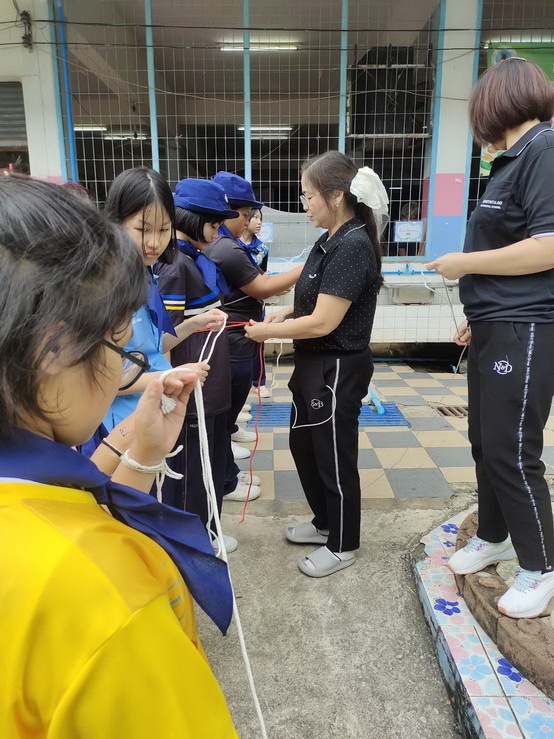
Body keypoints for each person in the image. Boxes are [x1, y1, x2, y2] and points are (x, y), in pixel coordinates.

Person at [0, 175, 237, 737]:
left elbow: (74, 509)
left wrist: (141, 448)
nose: (124, 362)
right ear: (53, 348)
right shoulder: (105, 596)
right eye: (118, 342)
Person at [426, 58, 554, 619]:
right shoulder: (511, 161)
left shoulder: (545, 149)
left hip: (528, 326)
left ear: (495, 104)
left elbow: (548, 246)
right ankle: (495, 536)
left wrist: (464, 263)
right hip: (495, 325)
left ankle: (541, 567)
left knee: (512, 448)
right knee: (485, 440)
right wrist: (477, 316)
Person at [245, 151, 387, 578]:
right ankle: (325, 522)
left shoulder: (353, 244)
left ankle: (343, 544)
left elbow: (325, 321)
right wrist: (286, 312)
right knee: (304, 445)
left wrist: (266, 333)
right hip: (314, 364)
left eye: (308, 196)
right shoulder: (329, 240)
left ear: (336, 195)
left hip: (336, 367)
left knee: (333, 454)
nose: (304, 204)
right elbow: (317, 299)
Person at [155, 179, 261, 554]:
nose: (217, 231)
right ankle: (193, 544)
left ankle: (207, 533)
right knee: (190, 474)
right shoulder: (175, 267)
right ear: (191, 219)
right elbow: (163, 340)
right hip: (191, 392)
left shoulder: (192, 261)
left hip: (208, 387)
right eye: (213, 224)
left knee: (208, 466)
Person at [101, 167, 226, 432]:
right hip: (118, 429)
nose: (154, 242)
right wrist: (170, 375)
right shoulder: (106, 287)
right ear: (116, 223)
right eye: (142, 229)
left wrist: (194, 324)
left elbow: (153, 348)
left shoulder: (146, 275)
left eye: (164, 229)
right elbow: (106, 380)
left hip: (148, 417)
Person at [205, 172, 302, 500]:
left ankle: (227, 475)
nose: (248, 221)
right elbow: (262, 286)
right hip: (232, 343)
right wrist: (311, 265)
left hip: (236, 340)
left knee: (224, 419)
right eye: (246, 214)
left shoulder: (226, 245)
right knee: (222, 420)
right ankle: (224, 483)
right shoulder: (226, 248)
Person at [238, 207, 271, 399]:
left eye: (260, 218)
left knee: (258, 343)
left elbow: (263, 275)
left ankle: (259, 382)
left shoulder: (262, 249)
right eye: (254, 217)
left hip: (256, 303)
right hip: (235, 304)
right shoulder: (231, 246)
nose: (258, 222)